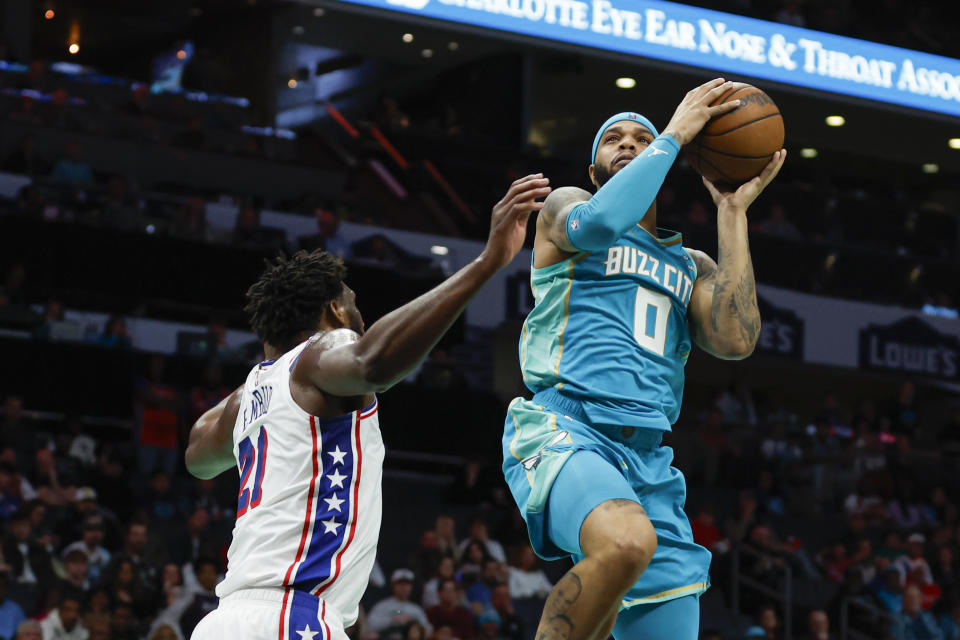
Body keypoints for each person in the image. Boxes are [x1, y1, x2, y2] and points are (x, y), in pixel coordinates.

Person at [183, 175, 548, 640]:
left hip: (222, 621)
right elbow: (373, 362)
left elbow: (197, 457)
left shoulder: (244, 398)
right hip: (291, 615)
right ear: (336, 309)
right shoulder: (327, 347)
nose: (360, 318)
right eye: (354, 305)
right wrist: (486, 262)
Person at [501, 77, 786, 640]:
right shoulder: (568, 208)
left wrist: (732, 213)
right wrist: (675, 133)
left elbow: (735, 339)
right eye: (614, 138)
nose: (628, 143)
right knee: (626, 541)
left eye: (641, 137)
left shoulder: (692, 265)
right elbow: (605, 222)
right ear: (593, 170)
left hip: (650, 461)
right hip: (568, 427)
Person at [365, 569, 432, 638]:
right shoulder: (382, 606)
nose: (403, 587)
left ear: (412, 586)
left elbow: (428, 630)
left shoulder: (416, 609)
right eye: (400, 583)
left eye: (407, 584)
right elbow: (370, 625)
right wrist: (393, 620)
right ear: (393, 585)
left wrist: (413, 622)